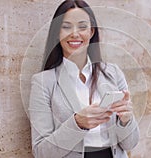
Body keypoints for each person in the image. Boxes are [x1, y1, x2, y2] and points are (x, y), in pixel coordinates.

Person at [28, 0, 139, 157]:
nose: (75, 33)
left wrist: (126, 120)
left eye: (82, 27)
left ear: (91, 32)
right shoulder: (43, 83)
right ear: (57, 32)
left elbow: (130, 143)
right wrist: (77, 124)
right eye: (66, 27)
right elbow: (41, 152)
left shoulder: (113, 73)